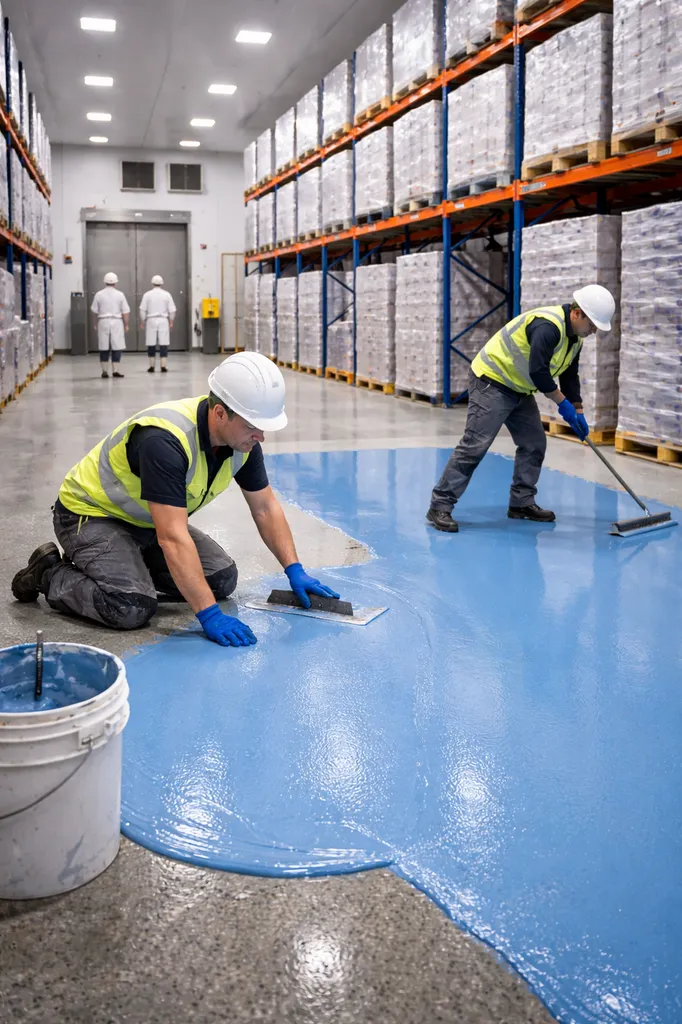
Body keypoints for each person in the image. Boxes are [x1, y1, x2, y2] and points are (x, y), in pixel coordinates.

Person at [11, 353, 340, 648]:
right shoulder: (165, 441)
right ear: (220, 413)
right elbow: (171, 536)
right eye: (254, 426)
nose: (261, 437)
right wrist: (208, 614)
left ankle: (124, 568)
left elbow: (265, 507)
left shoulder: (243, 444)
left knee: (221, 579)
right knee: (130, 606)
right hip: (91, 515)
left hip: (146, 520)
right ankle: (49, 574)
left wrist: (293, 569)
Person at [426, 284, 616, 532]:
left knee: (534, 443)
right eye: (592, 325)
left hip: (518, 387)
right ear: (577, 313)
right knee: (475, 445)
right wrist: (563, 405)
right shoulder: (548, 327)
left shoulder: (575, 339)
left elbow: (569, 375)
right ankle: (440, 505)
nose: (593, 331)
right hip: (492, 381)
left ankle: (521, 502)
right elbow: (538, 372)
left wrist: (578, 410)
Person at [91, 272, 130, 379]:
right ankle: (115, 371)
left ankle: (104, 371)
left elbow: (94, 311)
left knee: (103, 346)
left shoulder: (99, 294)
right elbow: (125, 312)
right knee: (117, 346)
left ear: (105, 282)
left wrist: (95, 323)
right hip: (117, 322)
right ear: (115, 283)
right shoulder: (120, 295)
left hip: (102, 321)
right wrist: (126, 324)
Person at [140, 275, 177, 374]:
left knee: (151, 343)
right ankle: (163, 365)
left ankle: (151, 366)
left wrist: (143, 321)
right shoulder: (167, 295)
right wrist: (171, 321)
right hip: (163, 320)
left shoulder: (147, 295)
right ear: (162, 283)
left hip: (151, 320)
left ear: (152, 283)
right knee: (163, 343)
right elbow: (172, 310)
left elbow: (142, 310)